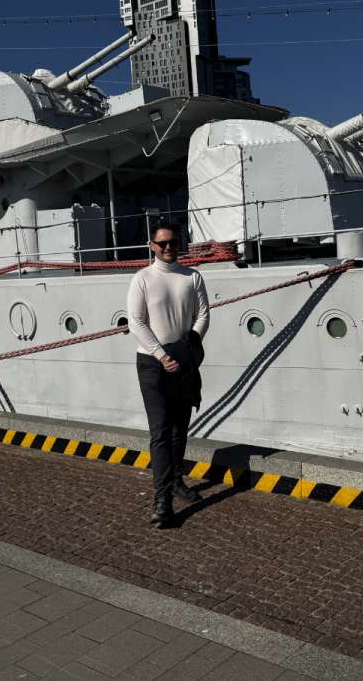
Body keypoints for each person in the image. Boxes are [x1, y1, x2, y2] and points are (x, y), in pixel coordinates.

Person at [127, 220, 210, 527]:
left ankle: (176, 481)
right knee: (160, 432)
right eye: (161, 243)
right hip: (152, 363)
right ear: (152, 245)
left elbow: (202, 315)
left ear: (179, 243)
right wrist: (163, 356)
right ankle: (162, 501)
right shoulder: (143, 278)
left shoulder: (193, 277)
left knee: (179, 429)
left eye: (172, 242)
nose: (167, 247)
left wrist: (188, 346)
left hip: (184, 362)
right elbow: (136, 322)